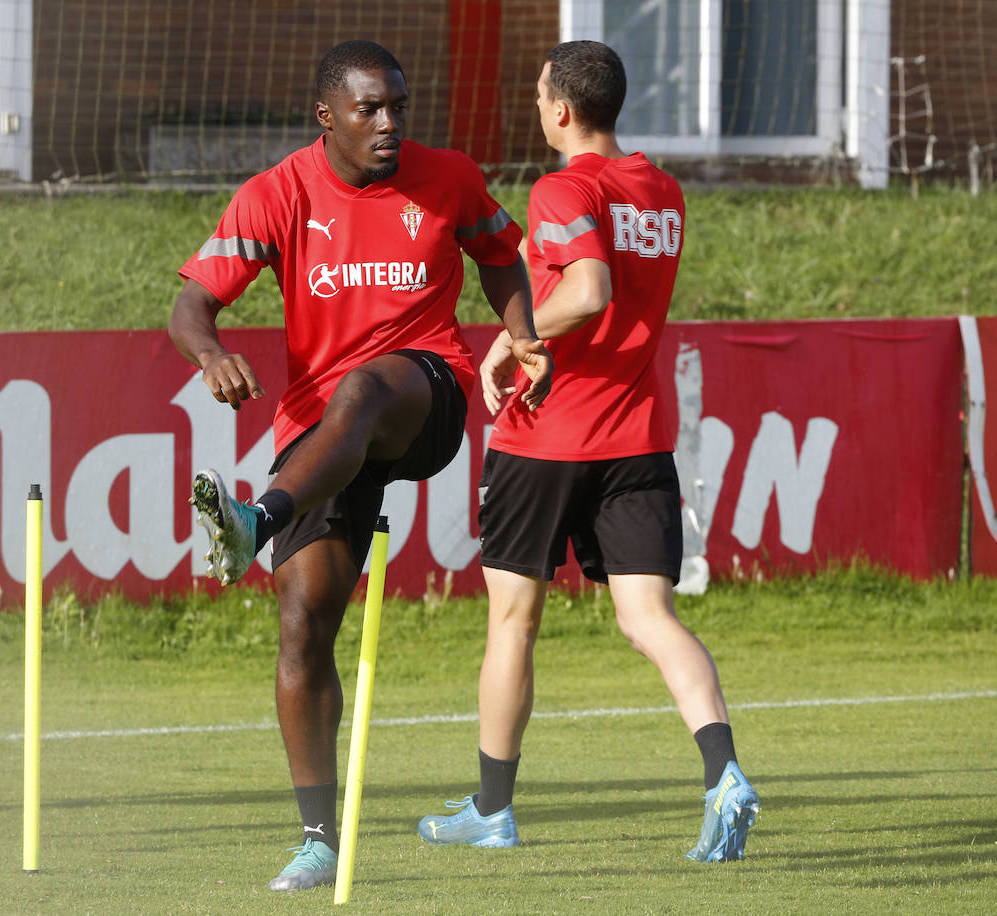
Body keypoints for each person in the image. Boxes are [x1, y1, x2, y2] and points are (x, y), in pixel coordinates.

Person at [168, 40, 552, 892]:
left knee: (367, 386)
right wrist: (209, 354)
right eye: (371, 109)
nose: (390, 124)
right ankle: (317, 840)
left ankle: (255, 520)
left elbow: (499, 253)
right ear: (326, 116)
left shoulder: (447, 177)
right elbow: (191, 302)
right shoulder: (278, 192)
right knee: (304, 627)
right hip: (321, 430)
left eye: (399, 107)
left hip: (425, 394)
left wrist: (521, 336)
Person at [417, 41, 759, 862]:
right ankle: (723, 774)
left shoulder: (563, 187)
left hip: (547, 433)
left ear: (562, 109)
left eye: (539, 97)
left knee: (513, 619)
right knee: (650, 619)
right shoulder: (662, 190)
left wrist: (513, 338)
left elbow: (589, 286)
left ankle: (494, 811)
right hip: (638, 438)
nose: (537, 109)